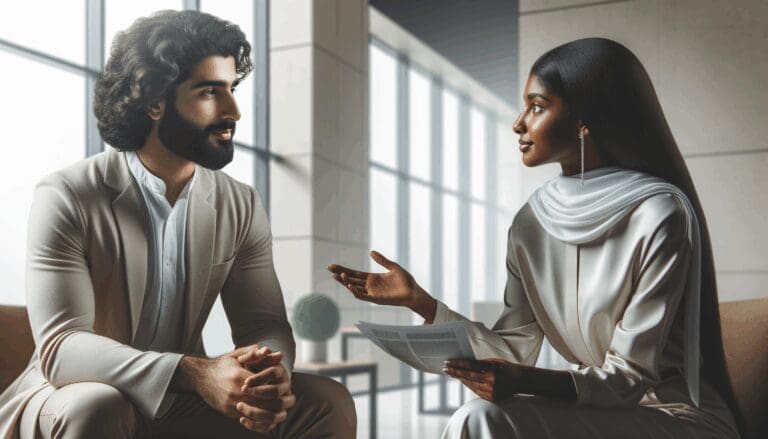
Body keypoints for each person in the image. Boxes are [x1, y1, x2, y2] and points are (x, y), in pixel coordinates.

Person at [329, 38, 742, 438]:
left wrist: (528, 382)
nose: (518, 123)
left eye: (537, 106)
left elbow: (630, 377)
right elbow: (513, 350)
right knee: (478, 416)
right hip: (595, 410)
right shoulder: (531, 222)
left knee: (480, 421)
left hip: (675, 418)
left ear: (584, 119)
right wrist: (421, 302)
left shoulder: (660, 214)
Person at [0, 10, 355, 439]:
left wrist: (267, 375)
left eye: (232, 88)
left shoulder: (240, 202)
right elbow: (63, 350)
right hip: (68, 394)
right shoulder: (68, 194)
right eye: (209, 92)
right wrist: (194, 372)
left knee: (326, 402)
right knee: (99, 405)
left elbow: (263, 322)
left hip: (179, 401)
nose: (234, 111)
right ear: (154, 102)